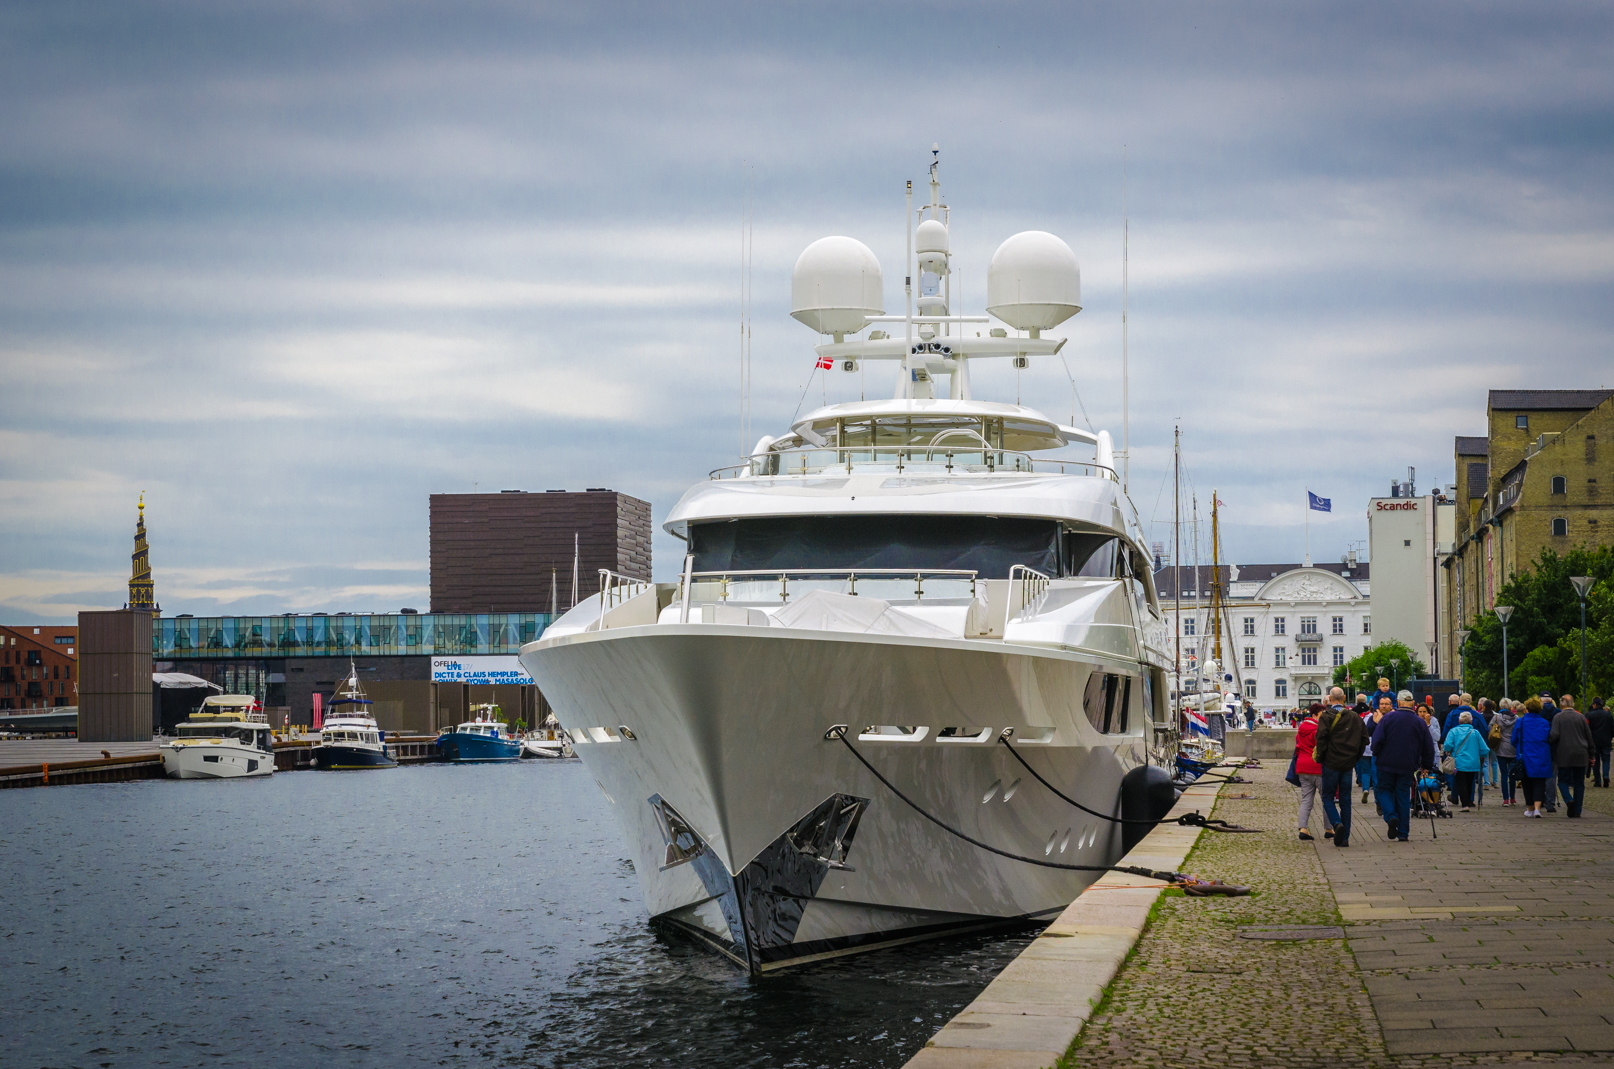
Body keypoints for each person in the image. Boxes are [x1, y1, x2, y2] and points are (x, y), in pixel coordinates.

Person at [1370, 690, 1435, 842]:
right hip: (1408, 764)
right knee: (1403, 796)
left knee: (1384, 790)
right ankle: (1403, 832)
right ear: (1413, 703)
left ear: (1398, 702)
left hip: (1386, 763)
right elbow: (1428, 747)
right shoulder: (1419, 722)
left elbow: (1377, 741)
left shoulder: (1388, 719)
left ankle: (1391, 816)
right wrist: (1426, 765)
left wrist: (1376, 753)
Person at [1314, 687, 1367, 847]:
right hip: (1347, 764)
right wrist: (1354, 758)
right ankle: (1345, 838)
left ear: (1330, 699)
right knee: (1345, 800)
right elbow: (1364, 740)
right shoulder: (1355, 717)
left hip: (1330, 762)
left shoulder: (1326, 717)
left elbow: (1320, 739)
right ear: (1344, 698)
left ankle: (1336, 823)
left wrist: (1321, 757)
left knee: (1327, 797)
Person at [1550, 695, 1593, 818]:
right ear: (1573, 704)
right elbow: (1589, 737)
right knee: (1579, 783)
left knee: (1562, 780)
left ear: (1562, 704)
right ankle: (1577, 810)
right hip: (1581, 753)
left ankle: (1569, 800)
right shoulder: (1581, 717)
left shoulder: (1558, 717)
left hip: (1564, 754)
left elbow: (1554, 735)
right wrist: (1591, 753)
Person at [1511, 697, 1554, 817]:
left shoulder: (1521, 721)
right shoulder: (1545, 722)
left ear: (1527, 708)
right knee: (1540, 782)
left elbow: (1514, 739)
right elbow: (1549, 738)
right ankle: (1537, 808)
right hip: (1542, 755)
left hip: (1525, 755)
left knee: (1527, 783)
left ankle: (1529, 808)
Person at [1441, 710, 1488, 811]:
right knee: (1470, 782)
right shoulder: (1475, 733)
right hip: (1473, 763)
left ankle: (1465, 805)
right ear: (1471, 722)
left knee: (1461, 783)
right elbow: (1484, 749)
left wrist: (1448, 751)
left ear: (1459, 721)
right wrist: (1482, 756)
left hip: (1458, 762)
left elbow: (1447, 745)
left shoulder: (1453, 731)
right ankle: (1468, 801)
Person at [1294, 703, 1324, 841]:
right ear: (1314, 715)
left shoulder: (1301, 729)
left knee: (1306, 799)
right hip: (1317, 767)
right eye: (1321, 715)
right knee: (1326, 799)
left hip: (1302, 767)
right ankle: (1329, 828)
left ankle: (1303, 828)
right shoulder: (1318, 729)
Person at [1493, 699, 1520, 806]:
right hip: (1513, 748)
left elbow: (1489, 729)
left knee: (1504, 774)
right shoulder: (1517, 718)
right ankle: (1513, 797)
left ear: (1500, 707)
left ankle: (1505, 799)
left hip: (1501, 748)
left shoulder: (1496, 718)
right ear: (1510, 707)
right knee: (1512, 773)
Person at [1587, 697, 1613, 789]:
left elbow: (1587, 729)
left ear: (1594, 704)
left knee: (1595, 761)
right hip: (1606, 741)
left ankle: (1597, 780)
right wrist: (1610, 737)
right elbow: (1612, 728)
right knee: (1606, 759)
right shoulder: (1608, 715)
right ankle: (1605, 775)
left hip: (1594, 742)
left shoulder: (1589, 715)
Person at [1354, 699, 1376, 804]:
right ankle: (1377, 794)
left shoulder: (1365, 718)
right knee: (1376, 772)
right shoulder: (1379, 718)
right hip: (1376, 747)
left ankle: (1365, 789)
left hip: (1366, 747)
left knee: (1365, 771)